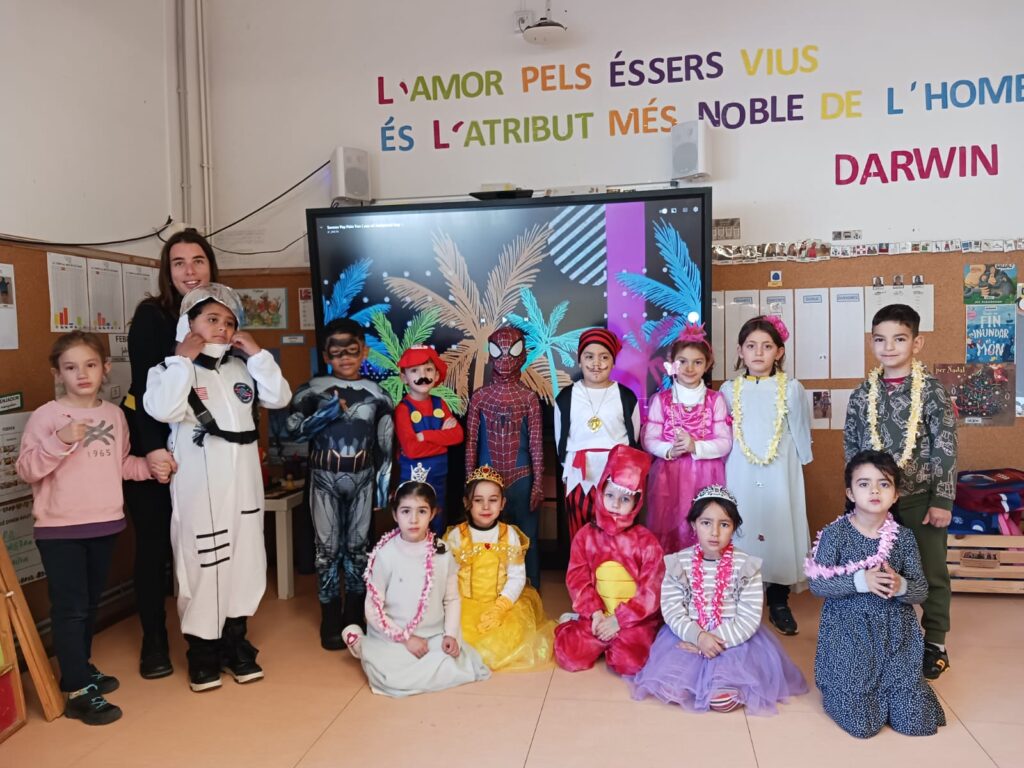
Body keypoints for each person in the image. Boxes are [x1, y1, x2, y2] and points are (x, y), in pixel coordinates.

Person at [144, 283, 292, 692]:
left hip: (244, 486)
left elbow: (279, 397)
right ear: (187, 324)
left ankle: (235, 643)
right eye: (211, 319)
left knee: (245, 561)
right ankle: (202, 652)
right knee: (203, 565)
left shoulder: (240, 370)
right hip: (201, 489)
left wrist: (258, 355)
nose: (222, 328)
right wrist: (182, 360)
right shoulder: (167, 371)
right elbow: (162, 408)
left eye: (229, 322)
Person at [17, 332, 169, 724]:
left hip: (105, 525)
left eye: (89, 365)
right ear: (58, 373)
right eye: (70, 367)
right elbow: (27, 469)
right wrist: (59, 440)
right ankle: (77, 691)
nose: (81, 374)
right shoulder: (47, 417)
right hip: (60, 530)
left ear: (105, 369)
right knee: (70, 609)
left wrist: (150, 467)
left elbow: (121, 465)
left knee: (87, 605)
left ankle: (79, 668)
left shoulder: (114, 415)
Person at [121, 227, 218, 679]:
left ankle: (214, 636)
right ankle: (155, 641)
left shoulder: (221, 315)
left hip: (204, 450)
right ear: (167, 271)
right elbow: (144, 389)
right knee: (155, 546)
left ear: (211, 266)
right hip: (155, 446)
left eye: (197, 261)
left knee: (204, 544)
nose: (189, 271)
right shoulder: (151, 317)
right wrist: (154, 450)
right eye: (179, 263)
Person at [844, 304, 957, 679]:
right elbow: (852, 448)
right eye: (880, 339)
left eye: (899, 339)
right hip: (872, 505)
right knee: (874, 569)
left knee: (931, 571)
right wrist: (854, 497)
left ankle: (935, 641)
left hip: (920, 500)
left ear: (916, 343)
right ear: (872, 343)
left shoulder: (933, 392)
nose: (888, 347)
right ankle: (878, 637)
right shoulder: (862, 395)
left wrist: (942, 499)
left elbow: (944, 447)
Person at [630, 485, 807, 715]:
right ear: (693, 525)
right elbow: (672, 610)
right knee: (671, 689)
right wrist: (698, 637)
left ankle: (726, 684)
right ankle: (693, 679)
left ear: (734, 527)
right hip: (689, 635)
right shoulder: (678, 563)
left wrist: (712, 643)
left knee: (722, 700)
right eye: (706, 523)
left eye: (724, 524)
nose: (714, 532)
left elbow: (749, 616)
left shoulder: (746, 566)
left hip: (732, 640)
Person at [806, 450, 946, 738]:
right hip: (850, 638)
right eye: (864, 483)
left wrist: (900, 585)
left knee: (917, 723)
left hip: (897, 639)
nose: (874, 491)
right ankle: (842, 687)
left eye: (884, 484)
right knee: (863, 725)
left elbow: (920, 591)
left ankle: (899, 691)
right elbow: (817, 585)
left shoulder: (904, 538)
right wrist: (861, 581)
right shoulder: (834, 535)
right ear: (850, 492)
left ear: (895, 495)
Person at [287, 318, 394, 649]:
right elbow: (292, 431)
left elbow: (385, 445)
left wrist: (382, 488)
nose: (345, 358)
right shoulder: (311, 390)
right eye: (336, 352)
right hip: (323, 478)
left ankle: (354, 615)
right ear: (325, 355)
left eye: (352, 350)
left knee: (359, 550)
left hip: (363, 478)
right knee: (327, 551)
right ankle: (330, 617)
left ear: (364, 351)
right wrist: (326, 414)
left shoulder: (379, 395)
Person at [342, 481, 490, 696]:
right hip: (394, 636)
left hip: (432, 635)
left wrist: (450, 635)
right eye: (406, 511)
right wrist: (406, 639)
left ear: (433, 514)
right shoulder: (385, 554)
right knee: (390, 678)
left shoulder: (442, 551)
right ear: (395, 515)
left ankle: (375, 651)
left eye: (421, 511)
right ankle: (361, 644)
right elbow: (373, 609)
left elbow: (451, 599)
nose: (413, 519)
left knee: (456, 665)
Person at [720, 315, 812, 636]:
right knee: (743, 527)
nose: (758, 353)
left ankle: (778, 600)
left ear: (779, 352)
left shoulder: (792, 389)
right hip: (740, 469)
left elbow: (801, 431)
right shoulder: (728, 390)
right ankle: (740, 598)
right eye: (751, 346)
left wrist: (801, 461)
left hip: (779, 470)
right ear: (740, 351)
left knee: (778, 528)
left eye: (767, 346)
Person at [554, 445, 663, 676]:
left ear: (637, 502)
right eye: (610, 495)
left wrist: (619, 620)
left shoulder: (647, 542)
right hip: (597, 615)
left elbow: (650, 592)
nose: (615, 504)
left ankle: (615, 640)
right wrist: (595, 614)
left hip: (632, 620)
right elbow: (577, 579)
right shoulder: (586, 536)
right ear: (601, 492)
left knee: (630, 664)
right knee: (569, 655)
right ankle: (579, 622)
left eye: (625, 499)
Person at [444, 465, 555, 671]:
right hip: (464, 605)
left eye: (493, 500)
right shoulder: (457, 536)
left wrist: (500, 607)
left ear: (502, 503)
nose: (486, 506)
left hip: (501, 605)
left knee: (508, 640)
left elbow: (517, 577)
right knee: (457, 638)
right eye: (478, 500)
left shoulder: (509, 535)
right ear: (467, 503)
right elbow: (448, 576)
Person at [465, 327, 544, 588]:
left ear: (523, 354)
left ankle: (531, 591)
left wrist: (538, 484)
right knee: (485, 538)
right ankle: (489, 588)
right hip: (486, 480)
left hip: (521, 478)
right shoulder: (480, 397)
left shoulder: (529, 398)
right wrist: (470, 484)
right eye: (499, 351)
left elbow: (536, 444)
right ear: (490, 354)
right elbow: (471, 443)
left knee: (528, 539)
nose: (506, 359)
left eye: (513, 350)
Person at [643, 322, 731, 553]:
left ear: (707, 365)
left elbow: (725, 442)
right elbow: (649, 439)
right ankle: (671, 572)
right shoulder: (661, 400)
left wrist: (695, 447)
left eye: (697, 362)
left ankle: (704, 571)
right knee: (669, 526)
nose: (689, 368)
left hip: (706, 475)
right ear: (672, 363)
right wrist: (669, 450)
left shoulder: (715, 400)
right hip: (668, 475)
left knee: (703, 523)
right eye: (682, 361)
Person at [555, 328, 640, 541]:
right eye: (589, 357)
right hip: (578, 475)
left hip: (617, 476)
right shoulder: (566, 397)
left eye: (604, 357)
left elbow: (633, 437)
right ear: (580, 360)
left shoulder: (626, 396)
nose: (596, 363)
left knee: (616, 533)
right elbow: (560, 440)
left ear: (613, 361)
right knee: (580, 532)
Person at [394, 344, 463, 534]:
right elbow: (411, 449)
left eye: (428, 369)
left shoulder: (440, 403)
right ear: (404, 377)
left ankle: (435, 552)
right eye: (414, 370)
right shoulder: (403, 409)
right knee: (414, 522)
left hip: (439, 477)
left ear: (437, 374)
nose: (422, 375)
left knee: (438, 518)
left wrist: (425, 436)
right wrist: (442, 442)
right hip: (412, 480)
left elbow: (457, 436)